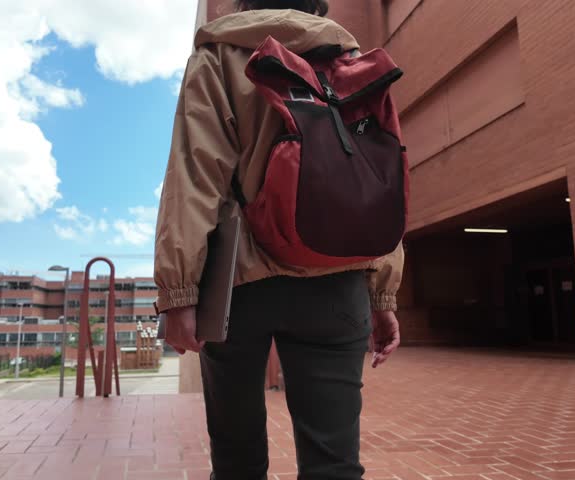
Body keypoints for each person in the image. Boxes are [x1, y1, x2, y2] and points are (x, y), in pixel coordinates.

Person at [154, 1, 404, 479]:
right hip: (337, 280)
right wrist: (382, 291)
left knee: (236, 460)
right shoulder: (349, 59)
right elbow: (378, 179)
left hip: (237, 286)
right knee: (334, 463)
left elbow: (195, 175)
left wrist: (180, 290)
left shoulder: (219, 56)